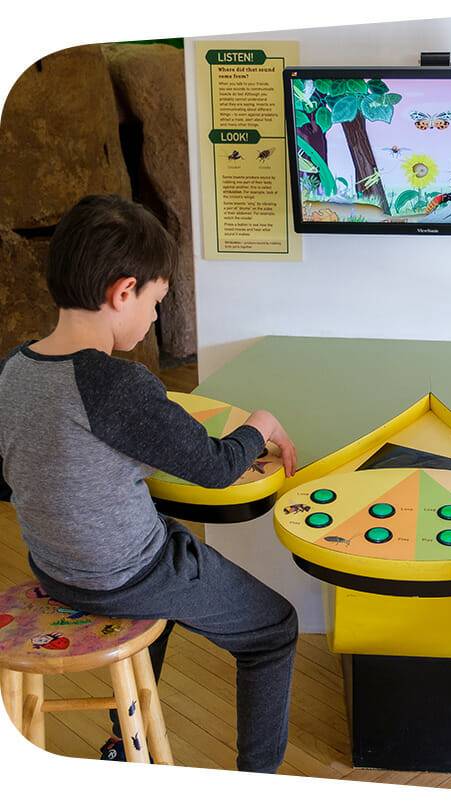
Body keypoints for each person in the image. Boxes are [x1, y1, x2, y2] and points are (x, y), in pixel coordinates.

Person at [0, 195, 299, 773]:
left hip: (55, 569)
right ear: (122, 292)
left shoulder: (14, 369)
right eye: (156, 303)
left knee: (164, 532)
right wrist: (259, 425)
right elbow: (215, 469)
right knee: (273, 630)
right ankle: (260, 778)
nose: (156, 318)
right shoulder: (117, 385)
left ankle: (122, 744)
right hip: (125, 577)